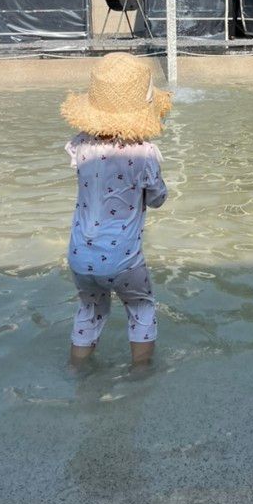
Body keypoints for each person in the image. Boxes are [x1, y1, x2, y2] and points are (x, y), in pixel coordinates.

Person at [60, 53, 171, 367]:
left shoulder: (80, 145)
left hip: (80, 253)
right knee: (141, 307)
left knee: (89, 311)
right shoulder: (144, 153)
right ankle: (140, 379)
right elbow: (157, 198)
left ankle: (78, 373)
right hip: (123, 257)